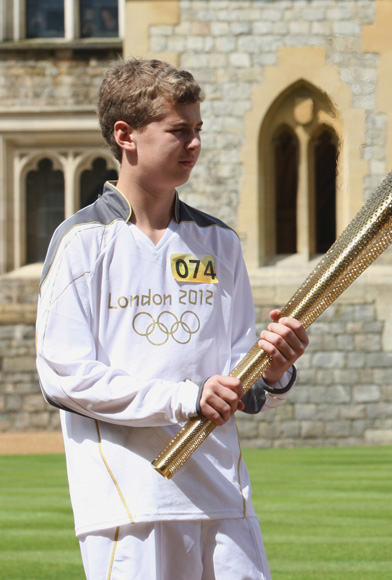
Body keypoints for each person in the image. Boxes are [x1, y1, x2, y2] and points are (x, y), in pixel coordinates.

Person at [35, 59, 309, 579]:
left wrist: (272, 373)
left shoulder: (218, 242)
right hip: (129, 499)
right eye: (179, 130)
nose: (195, 144)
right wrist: (184, 398)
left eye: (198, 130)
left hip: (223, 496)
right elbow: (64, 375)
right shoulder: (82, 243)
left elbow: (238, 381)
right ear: (126, 135)